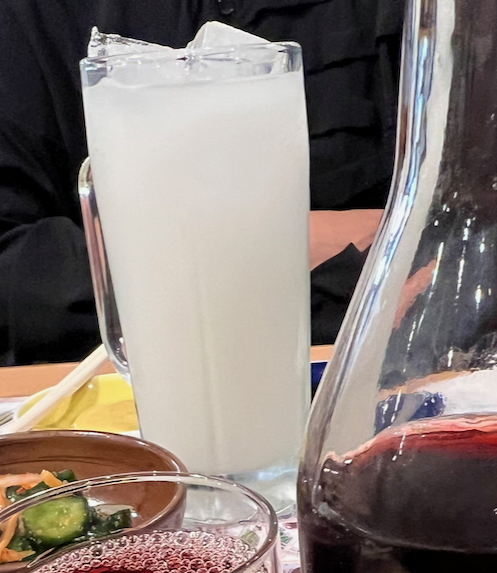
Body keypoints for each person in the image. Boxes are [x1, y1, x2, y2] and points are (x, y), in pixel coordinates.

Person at [0, 0, 402, 365]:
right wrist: (284, 244)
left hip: (387, 372)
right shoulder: (35, 17)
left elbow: (432, 249)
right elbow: (18, 281)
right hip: (127, 392)